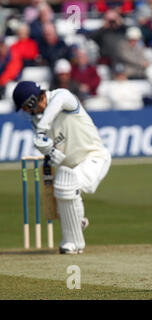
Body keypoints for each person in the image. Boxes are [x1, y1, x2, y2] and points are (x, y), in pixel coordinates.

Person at [12, 80, 111, 254]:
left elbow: (57, 103)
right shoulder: (37, 121)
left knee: (67, 184)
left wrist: (42, 130)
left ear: (32, 102)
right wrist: (48, 151)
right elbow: (53, 151)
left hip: (94, 158)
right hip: (70, 168)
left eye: (26, 108)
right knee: (64, 185)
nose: (27, 112)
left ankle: (74, 243)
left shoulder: (62, 96)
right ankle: (76, 223)